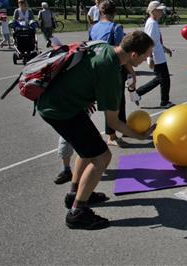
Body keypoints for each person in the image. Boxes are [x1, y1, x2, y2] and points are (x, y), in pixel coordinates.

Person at [37, 31, 155, 229]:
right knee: (102, 157)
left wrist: (85, 95)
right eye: (146, 55)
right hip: (61, 110)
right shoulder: (110, 72)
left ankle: (75, 192)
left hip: (60, 102)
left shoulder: (103, 47)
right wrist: (141, 136)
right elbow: (114, 122)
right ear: (133, 55)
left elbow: (83, 70)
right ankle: (78, 211)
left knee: (88, 149)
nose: (146, 59)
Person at [89, 0, 135, 146]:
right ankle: (112, 135)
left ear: (101, 12)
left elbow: (89, 47)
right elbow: (122, 53)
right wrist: (132, 72)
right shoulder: (116, 28)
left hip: (95, 67)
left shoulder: (93, 28)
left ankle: (118, 129)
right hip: (112, 69)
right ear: (115, 12)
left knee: (110, 101)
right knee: (115, 101)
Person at [135, 1, 174, 108]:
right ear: (153, 11)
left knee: (160, 79)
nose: (162, 12)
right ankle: (164, 102)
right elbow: (148, 41)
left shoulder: (153, 22)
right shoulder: (151, 23)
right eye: (160, 10)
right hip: (156, 57)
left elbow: (156, 41)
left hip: (159, 55)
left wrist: (165, 48)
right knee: (164, 79)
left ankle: (137, 93)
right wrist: (150, 57)